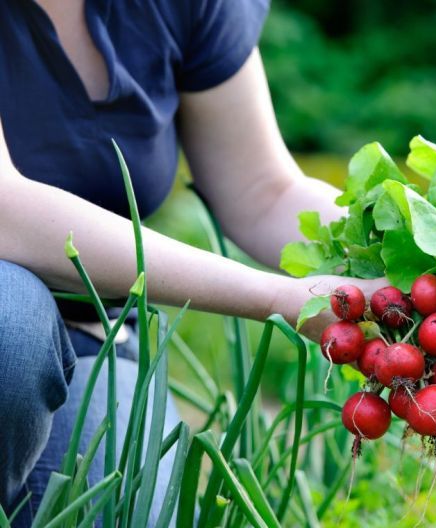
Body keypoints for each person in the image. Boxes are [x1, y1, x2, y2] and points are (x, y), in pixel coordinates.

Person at [0, 0, 385, 524]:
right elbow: (6, 209)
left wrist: (407, 247)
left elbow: (262, 189)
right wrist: (275, 297)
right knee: (11, 322)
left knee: (122, 507)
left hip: (94, 337)